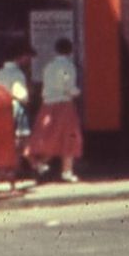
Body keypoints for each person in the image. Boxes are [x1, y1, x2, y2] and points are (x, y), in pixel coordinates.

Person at [28, 37, 84, 183]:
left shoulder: (49, 67)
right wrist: (78, 92)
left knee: (50, 137)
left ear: (56, 50)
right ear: (70, 51)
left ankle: (40, 163)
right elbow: (67, 85)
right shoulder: (68, 67)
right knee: (69, 137)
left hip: (47, 105)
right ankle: (67, 171)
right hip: (64, 105)